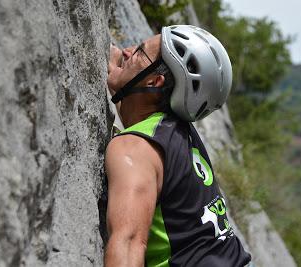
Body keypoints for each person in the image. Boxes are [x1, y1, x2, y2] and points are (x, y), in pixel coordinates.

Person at [105, 25, 251, 267]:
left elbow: (129, 243)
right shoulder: (178, 132)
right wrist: (121, 80)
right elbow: (141, 122)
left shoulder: (133, 149)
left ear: (155, 80)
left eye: (140, 52)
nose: (127, 51)